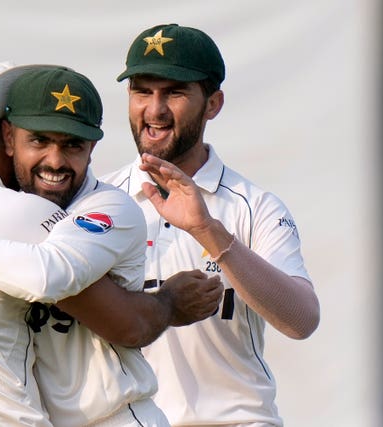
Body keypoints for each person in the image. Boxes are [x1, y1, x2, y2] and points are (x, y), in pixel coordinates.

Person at [0, 65, 224, 427]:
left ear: (92, 148)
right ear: (9, 139)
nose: (56, 162)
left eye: (73, 145)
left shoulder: (109, 207)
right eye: (39, 141)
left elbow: (49, 277)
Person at [100, 23, 321, 426]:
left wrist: (208, 230)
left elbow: (301, 321)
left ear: (213, 104)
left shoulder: (255, 206)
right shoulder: (100, 201)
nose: (154, 110)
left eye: (175, 92)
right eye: (142, 91)